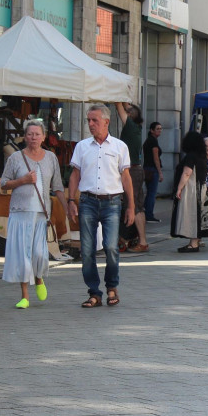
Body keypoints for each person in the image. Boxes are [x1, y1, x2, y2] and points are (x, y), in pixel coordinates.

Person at [68, 105, 134, 308]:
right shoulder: (82, 146)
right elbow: (75, 175)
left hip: (112, 202)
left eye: (94, 120)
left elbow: (126, 177)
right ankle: (94, 292)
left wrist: (131, 206)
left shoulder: (119, 146)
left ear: (106, 122)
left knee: (111, 247)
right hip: (87, 201)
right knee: (87, 250)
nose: (90, 124)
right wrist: (71, 200)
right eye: (88, 120)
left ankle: (112, 287)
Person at [0, 120, 68, 308]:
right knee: (23, 255)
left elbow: (58, 186)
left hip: (41, 213)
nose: (33, 138)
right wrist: (22, 180)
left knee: (38, 253)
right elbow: (3, 184)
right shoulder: (15, 158)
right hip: (20, 212)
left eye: (37, 134)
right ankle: (24, 296)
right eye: (30, 134)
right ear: (25, 136)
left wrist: (67, 207)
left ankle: (38, 279)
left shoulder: (50, 158)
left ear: (44, 136)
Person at [116, 103, 149, 253]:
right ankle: (140, 239)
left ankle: (142, 241)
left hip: (132, 171)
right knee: (139, 206)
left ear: (129, 116)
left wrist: (119, 95)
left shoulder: (130, 126)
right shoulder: (136, 128)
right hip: (137, 169)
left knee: (133, 205)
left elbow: (118, 107)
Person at [171, 131, 208, 253]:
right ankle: (195, 241)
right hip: (201, 188)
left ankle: (193, 244)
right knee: (198, 214)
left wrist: (179, 188)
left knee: (191, 213)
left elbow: (187, 173)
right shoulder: (202, 156)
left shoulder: (191, 156)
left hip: (192, 189)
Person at [141, 122, 163, 222]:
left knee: (150, 192)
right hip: (152, 170)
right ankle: (149, 214)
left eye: (160, 129)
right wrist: (160, 172)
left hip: (147, 169)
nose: (160, 130)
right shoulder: (153, 142)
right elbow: (156, 158)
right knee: (152, 193)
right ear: (152, 130)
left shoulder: (149, 141)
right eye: (157, 129)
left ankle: (145, 212)